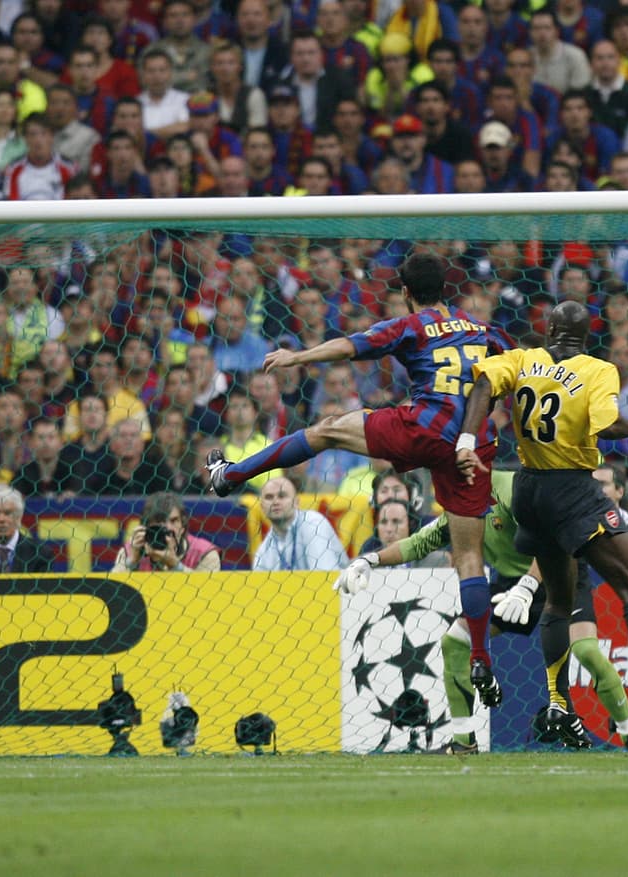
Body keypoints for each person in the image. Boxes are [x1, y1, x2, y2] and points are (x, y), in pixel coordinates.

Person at [207, 252, 509, 707]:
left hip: (422, 426)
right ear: (447, 289)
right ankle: (481, 656)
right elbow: (517, 372)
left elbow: (349, 346)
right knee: (468, 556)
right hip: (472, 446)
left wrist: (297, 356)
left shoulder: (413, 324)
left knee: (326, 430)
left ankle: (230, 475)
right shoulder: (483, 330)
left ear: (406, 294)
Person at [457, 300, 628, 727]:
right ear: (588, 336)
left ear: (549, 331)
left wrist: (464, 439)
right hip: (572, 488)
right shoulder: (596, 368)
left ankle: (557, 703)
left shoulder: (521, 359)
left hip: (528, 486)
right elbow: (605, 425)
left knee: (558, 600)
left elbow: (481, 386)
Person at [342, 468, 628, 752]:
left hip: (559, 576)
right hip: (509, 588)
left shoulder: (514, 490)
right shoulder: (461, 507)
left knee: (586, 651)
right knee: (454, 641)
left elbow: (550, 540)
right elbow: (420, 543)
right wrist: (370, 561)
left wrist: (528, 587)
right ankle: (463, 739)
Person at [251, 476, 348, 572]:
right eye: (269, 497)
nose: (275, 502)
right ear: (262, 507)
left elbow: (324, 578)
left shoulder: (313, 523)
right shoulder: (263, 551)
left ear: (296, 502)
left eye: (282, 496)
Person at [109, 491, 221, 572]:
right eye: (159, 521)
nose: (168, 528)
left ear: (183, 526)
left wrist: (176, 566)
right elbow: (111, 591)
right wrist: (132, 562)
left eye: (174, 521)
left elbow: (207, 594)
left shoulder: (205, 553)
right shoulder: (130, 551)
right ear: (145, 527)